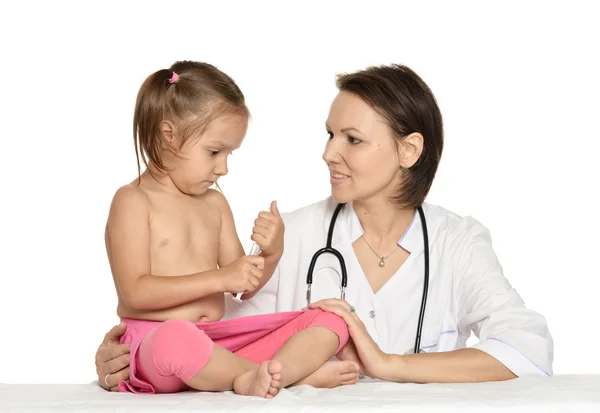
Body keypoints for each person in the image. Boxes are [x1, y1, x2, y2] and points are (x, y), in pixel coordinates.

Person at [97, 63, 553, 389]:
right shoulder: (294, 233)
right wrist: (129, 347)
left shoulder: (458, 242)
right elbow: (220, 323)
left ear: (409, 151)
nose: (328, 153)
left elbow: (527, 349)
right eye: (330, 134)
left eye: (352, 140)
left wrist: (389, 364)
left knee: (328, 320)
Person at [102, 60, 352, 398]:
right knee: (175, 337)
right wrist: (220, 278)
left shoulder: (214, 204)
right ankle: (286, 377)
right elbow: (135, 292)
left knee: (330, 319)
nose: (222, 168)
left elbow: (243, 286)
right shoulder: (133, 201)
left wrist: (272, 251)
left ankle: (265, 374)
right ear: (168, 136)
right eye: (214, 152)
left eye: (229, 154)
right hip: (155, 345)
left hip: (218, 344)